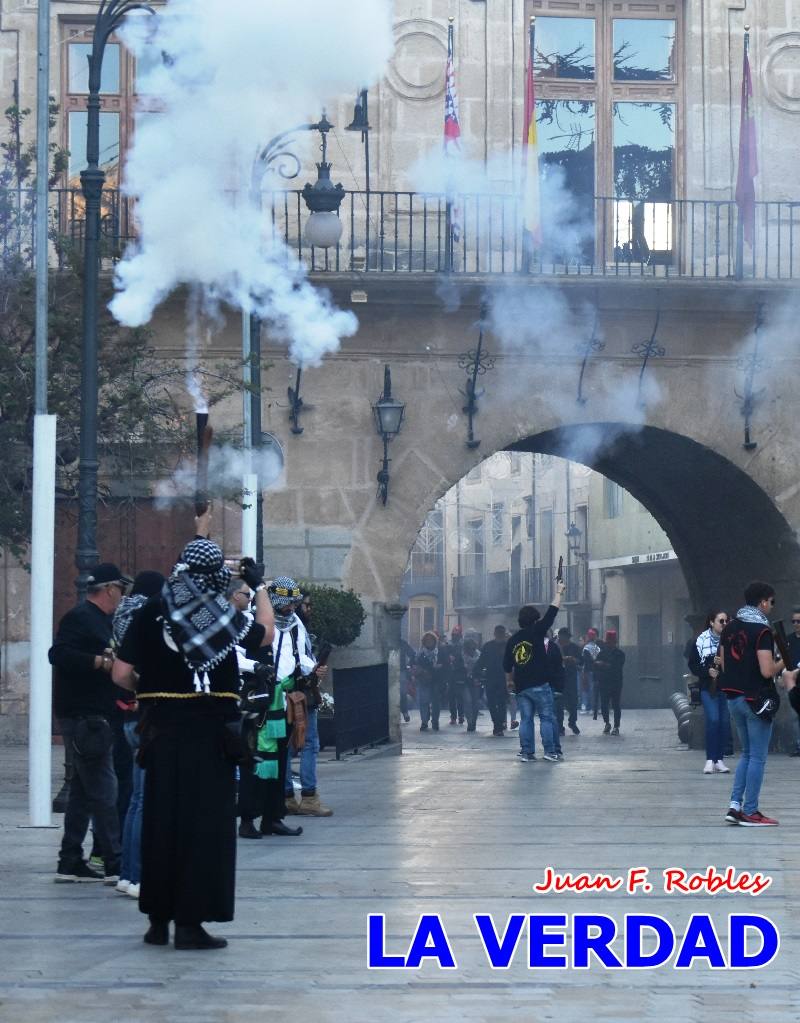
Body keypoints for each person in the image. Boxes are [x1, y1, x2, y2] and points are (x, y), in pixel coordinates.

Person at [113, 513, 275, 949]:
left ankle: (157, 922)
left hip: (161, 735)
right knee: (203, 827)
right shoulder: (222, 617)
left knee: (161, 822)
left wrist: (149, 690)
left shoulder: (152, 611)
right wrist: (259, 585)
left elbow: (120, 673)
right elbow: (266, 634)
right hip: (210, 740)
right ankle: (190, 925)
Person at [50, 562, 131, 883]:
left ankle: (69, 860)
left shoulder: (103, 621)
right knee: (105, 790)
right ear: (109, 589)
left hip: (98, 713)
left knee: (83, 793)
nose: (122, 595)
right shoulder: (81, 617)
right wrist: (98, 662)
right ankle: (115, 863)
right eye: (120, 589)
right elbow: (58, 654)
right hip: (85, 717)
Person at [238, 576, 313, 838]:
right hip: (259, 700)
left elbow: (301, 656)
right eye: (285, 604)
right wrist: (256, 666)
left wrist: (312, 669)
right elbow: (235, 654)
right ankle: (247, 819)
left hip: (284, 702)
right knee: (253, 759)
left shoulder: (295, 625)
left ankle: (273, 818)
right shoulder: (250, 620)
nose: (291, 608)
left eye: (294, 604)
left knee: (280, 760)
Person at [112, 570, 166, 899]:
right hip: (147, 715)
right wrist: (146, 687)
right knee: (146, 800)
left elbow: (121, 672)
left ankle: (127, 874)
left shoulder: (123, 615)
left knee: (136, 799)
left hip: (129, 714)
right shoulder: (148, 618)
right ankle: (138, 877)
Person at [719, 581, 784, 827]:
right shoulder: (762, 631)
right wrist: (786, 660)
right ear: (763, 602)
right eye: (771, 601)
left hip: (733, 699)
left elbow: (724, 664)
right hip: (756, 700)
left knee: (746, 754)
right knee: (758, 757)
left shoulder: (729, 628)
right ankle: (751, 811)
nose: (772, 606)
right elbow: (767, 671)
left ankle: (735, 805)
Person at [503, 581, 566, 763]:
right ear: (535, 620)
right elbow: (552, 612)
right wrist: (559, 592)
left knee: (526, 719)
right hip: (540, 684)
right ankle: (550, 751)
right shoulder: (537, 631)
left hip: (521, 687)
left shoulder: (513, 640)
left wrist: (509, 681)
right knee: (546, 718)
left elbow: (506, 665)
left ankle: (527, 752)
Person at [284, 593, 333, 817]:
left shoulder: (287, 623)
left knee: (288, 744)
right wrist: (314, 669)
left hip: (290, 689)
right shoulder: (293, 624)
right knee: (309, 743)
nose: (308, 609)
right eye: (305, 604)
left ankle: (287, 796)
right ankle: (308, 796)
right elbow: (297, 658)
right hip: (298, 689)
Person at [688, 610, 732, 775]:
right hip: (708, 688)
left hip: (726, 688)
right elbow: (693, 664)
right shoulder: (701, 640)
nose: (724, 624)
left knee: (724, 722)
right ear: (712, 622)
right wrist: (708, 671)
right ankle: (710, 759)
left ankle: (719, 760)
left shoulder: (730, 641)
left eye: (726, 621)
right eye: (721, 621)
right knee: (713, 720)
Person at [476, 625, 511, 736]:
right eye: (498, 632)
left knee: (501, 702)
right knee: (491, 702)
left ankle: (499, 725)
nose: (500, 635)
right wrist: (476, 673)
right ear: (495, 633)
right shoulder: (488, 646)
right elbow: (481, 661)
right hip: (490, 677)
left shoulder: (508, 646)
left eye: (502, 633)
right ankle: (497, 724)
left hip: (503, 678)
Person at [594, 630, 625, 735]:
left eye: (611, 641)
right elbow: (596, 667)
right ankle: (607, 723)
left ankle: (616, 726)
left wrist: (603, 664)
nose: (609, 644)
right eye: (608, 642)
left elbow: (616, 667)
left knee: (616, 705)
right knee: (604, 704)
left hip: (616, 682)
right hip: (603, 682)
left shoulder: (620, 654)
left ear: (614, 642)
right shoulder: (601, 653)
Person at [414, 631, 446, 732]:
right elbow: (414, 664)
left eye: (431, 640)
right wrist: (421, 671)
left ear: (435, 641)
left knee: (435, 702)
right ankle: (424, 721)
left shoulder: (440, 652)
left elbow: (446, 665)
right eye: (427, 640)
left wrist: (440, 668)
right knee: (424, 701)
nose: (429, 642)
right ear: (424, 642)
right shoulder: (420, 654)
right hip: (424, 680)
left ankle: (435, 721)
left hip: (436, 680)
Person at [556, 627, 581, 736]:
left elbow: (581, 660)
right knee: (559, 704)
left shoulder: (574, 647)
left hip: (571, 677)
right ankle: (559, 726)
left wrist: (574, 660)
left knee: (573, 702)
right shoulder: (555, 647)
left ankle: (572, 722)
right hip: (558, 678)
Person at [545, 633, 565, 759]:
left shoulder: (528, 644)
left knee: (527, 719)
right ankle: (554, 750)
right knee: (550, 718)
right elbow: (560, 667)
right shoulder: (553, 646)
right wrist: (559, 687)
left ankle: (526, 750)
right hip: (550, 685)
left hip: (531, 685)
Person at [785, 608, 800, 756]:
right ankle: (799, 744)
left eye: (798, 621)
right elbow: (780, 658)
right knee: (794, 715)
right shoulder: (788, 640)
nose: (796, 624)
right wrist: (780, 676)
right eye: (793, 621)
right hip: (792, 682)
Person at [581, 628, 600, 717]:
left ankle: (587, 707)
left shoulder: (586, 648)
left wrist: (584, 671)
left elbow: (585, 660)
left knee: (586, 689)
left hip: (588, 671)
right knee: (594, 690)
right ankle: (595, 708)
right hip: (596, 671)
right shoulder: (597, 648)